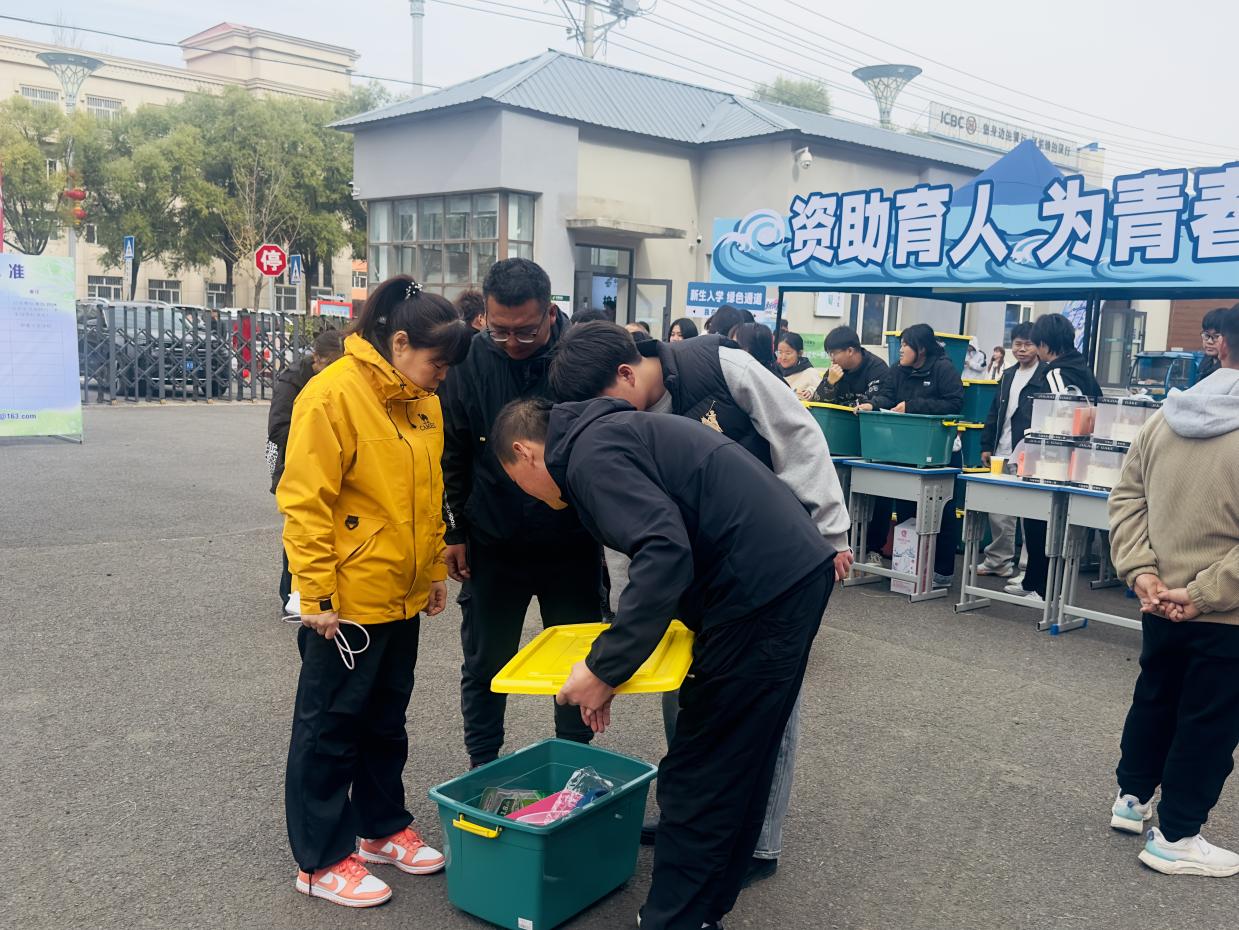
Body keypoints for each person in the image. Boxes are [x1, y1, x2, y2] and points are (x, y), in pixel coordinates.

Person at [491, 395, 841, 930]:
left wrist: (604, 668)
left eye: (520, 483)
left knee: (702, 770)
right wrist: (614, 668)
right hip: (786, 575)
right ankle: (701, 912)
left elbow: (662, 550)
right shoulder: (610, 433)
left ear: (524, 453)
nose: (530, 495)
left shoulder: (588, 456)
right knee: (738, 759)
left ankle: (673, 919)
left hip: (759, 593)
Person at [548, 321, 851, 886]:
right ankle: (696, 815)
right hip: (701, 581)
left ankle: (758, 841)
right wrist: (636, 628)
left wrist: (830, 531)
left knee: (764, 705)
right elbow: (630, 542)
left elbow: (799, 436)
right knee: (695, 699)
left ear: (626, 374)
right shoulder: (615, 427)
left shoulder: (719, 366)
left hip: (769, 565)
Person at [278, 276, 471, 907]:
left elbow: (429, 492)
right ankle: (320, 859)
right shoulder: (331, 395)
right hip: (349, 599)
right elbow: (305, 501)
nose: (443, 376)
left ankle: (380, 828)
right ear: (399, 342)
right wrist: (316, 594)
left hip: (401, 591)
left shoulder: (422, 400)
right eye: (438, 362)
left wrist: (434, 569)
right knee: (330, 727)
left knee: (386, 720)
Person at [439, 258, 603, 768]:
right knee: (485, 660)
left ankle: (573, 763)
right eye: (500, 329)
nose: (512, 342)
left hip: (572, 538)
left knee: (575, 658)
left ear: (550, 313)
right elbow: (452, 451)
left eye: (526, 331)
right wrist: (454, 531)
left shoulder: (580, 356)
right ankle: (482, 763)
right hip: (492, 539)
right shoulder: (470, 359)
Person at [1107, 303, 1239, 878]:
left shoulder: (1166, 416)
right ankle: (1178, 836)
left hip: (1158, 598)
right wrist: (1204, 593)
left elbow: (1126, 499)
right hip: (1226, 612)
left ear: (1221, 345)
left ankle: (1132, 798)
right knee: (1208, 723)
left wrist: (1143, 574)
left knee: (1156, 696)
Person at [1006, 314, 1102, 600]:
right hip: (1076, 458)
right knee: (1046, 522)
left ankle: (1043, 589)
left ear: (1045, 344)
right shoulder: (1082, 367)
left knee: (1041, 523)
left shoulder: (1056, 372)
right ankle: (1032, 581)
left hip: (1054, 459)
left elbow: (1063, 412)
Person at [864, 323, 965, 587]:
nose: (901, 350)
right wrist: (872, 404)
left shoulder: (943, 368)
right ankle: (910, 568)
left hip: (940, 453)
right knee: (907, 509)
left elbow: (954, 403)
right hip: (905, 450)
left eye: (906, 345)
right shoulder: (898, 370)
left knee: (941, 513)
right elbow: (887, 396)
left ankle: (942, 572)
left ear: (921, 348)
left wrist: (912, 406)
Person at [267, 328, 344, 606]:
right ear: (317, 359)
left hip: (327, 459)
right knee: (300, 528)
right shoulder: (292, 380)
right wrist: (316, 436)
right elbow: (277, 430)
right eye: (330, 364)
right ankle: (290, 594)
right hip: (290, 459)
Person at [977, 323, 1046, 578]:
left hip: (1029, 452)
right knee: (998, 509)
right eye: (1018, 344)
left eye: (1028, 344)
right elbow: (994, 411)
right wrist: (987, 445)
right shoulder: (1007, 374)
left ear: (1038, 346)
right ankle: (998, 561)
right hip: (1002, 448)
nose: (1022, 349)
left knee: (1030, 512)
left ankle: (1028, 568)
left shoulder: (1045, 375)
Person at [812, 325, 888, 406]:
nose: (831, 359)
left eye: (833, 353)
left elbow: (875, 402)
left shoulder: (877, 368)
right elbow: (817, 403)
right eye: (829, 354)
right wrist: (829, 383)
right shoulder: (836, 370)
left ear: (850, 351)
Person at [776, 332, 821, 397]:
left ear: (800, 353)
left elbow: (821, 391)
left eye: (788, 353)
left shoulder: (810, 373)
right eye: (780, 352)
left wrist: (811, 391)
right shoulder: (774, 371)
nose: (783, 357)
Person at [1196, 306, 1226, 383]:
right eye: (1206, 335)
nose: (1209, 341)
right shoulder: (1207, 359)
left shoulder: (1229, 366)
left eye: (1216, 336)